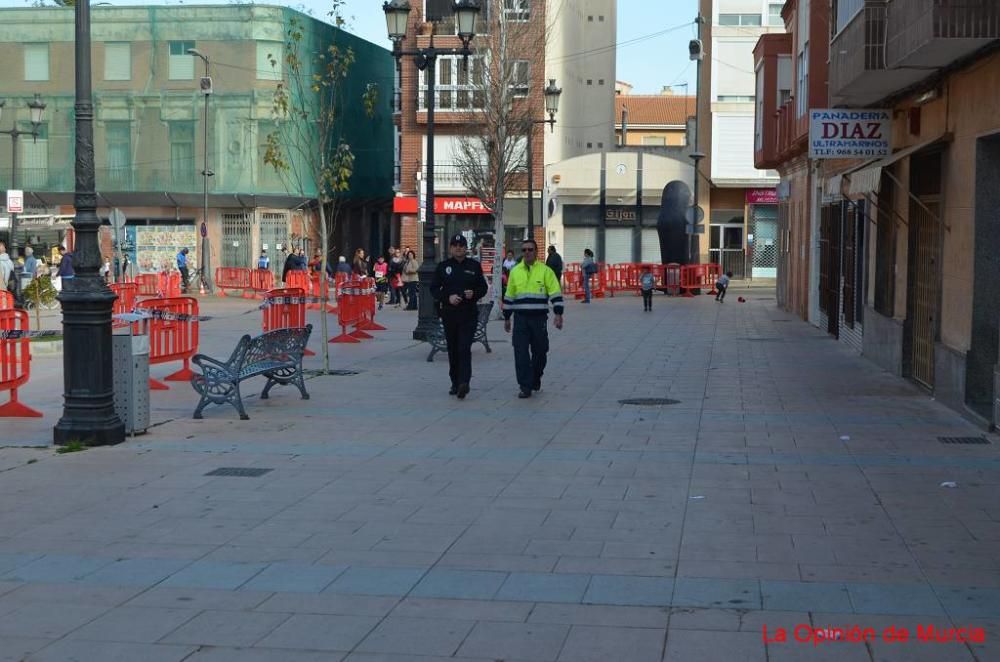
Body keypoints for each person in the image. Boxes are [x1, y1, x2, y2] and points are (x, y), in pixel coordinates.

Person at [503, 238, 564, 399]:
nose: (527, 252)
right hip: (521, 319)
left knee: (541, 352)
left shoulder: (545, 271)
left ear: (536, 252)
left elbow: (555, 293)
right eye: (524, 250)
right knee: (521, 352)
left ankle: (535, 377)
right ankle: (525, 386)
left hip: (539, 319)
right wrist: (507, 317)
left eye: (530, 249)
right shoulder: (515, 272)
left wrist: (558, 314)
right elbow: (509, 295)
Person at [431, 234, 488, 399]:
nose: (458, 248)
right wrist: (446, 297)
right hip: (449, 313)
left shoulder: (474, 266)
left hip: (468, 313)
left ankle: (464, 382)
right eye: (455, 245)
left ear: (466, 248)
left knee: (464, 347)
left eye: (461, 245)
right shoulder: (443, 267)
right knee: (453, 349)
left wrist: (474, 293)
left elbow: (483, 288)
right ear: (450, 248)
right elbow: (434, 289)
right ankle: (455, 382)